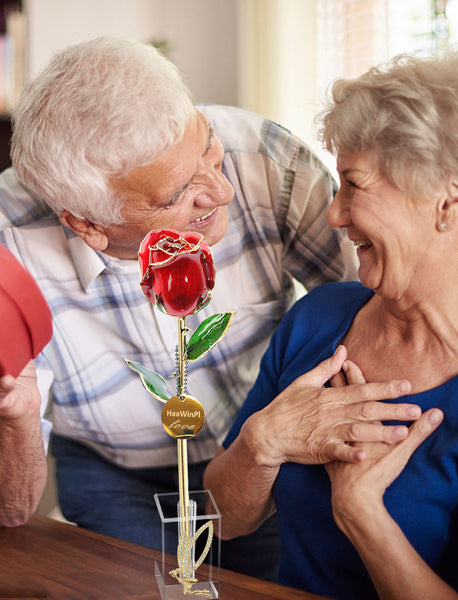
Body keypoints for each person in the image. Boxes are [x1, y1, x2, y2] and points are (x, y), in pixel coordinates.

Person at [0, 37, 420, 581]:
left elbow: (383, 308)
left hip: (263, 442)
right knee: (153, 592)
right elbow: (12, 509)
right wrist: (14, 411)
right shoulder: (9, 246)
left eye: (209, 149)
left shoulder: (266, 159)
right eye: (176, 194)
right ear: (87, 223)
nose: (222, 192)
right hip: (116, 473)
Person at [204, 51, 458, 599]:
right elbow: (223, 522)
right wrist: (262, 441)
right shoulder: (318, 317)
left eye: (354, 184)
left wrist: (360, 511)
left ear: (445, 199)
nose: (334, 214)